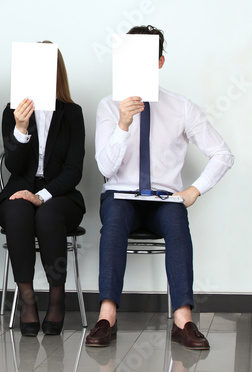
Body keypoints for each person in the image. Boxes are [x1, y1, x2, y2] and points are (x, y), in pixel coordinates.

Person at [86, 25, 234, 349]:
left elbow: (223, 154)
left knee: (177, 220)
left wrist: (195, 190)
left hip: (164, 199)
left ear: (160, 62)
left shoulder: (181, 106)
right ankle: (106, 316)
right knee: (113, 222)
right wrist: (123, 125)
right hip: (120, 196)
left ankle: (183, 320)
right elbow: (105, 169)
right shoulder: (109, 106)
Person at [0, 43, 85, 337]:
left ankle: (57, 298)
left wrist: (43, 196)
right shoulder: (12, 112)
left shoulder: (72, 113)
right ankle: (28, 299)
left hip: (61, 194)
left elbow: (74, 170)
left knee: (47, 215)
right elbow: (13, 165)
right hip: (20, 188)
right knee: (19, 214)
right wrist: (20, 128)